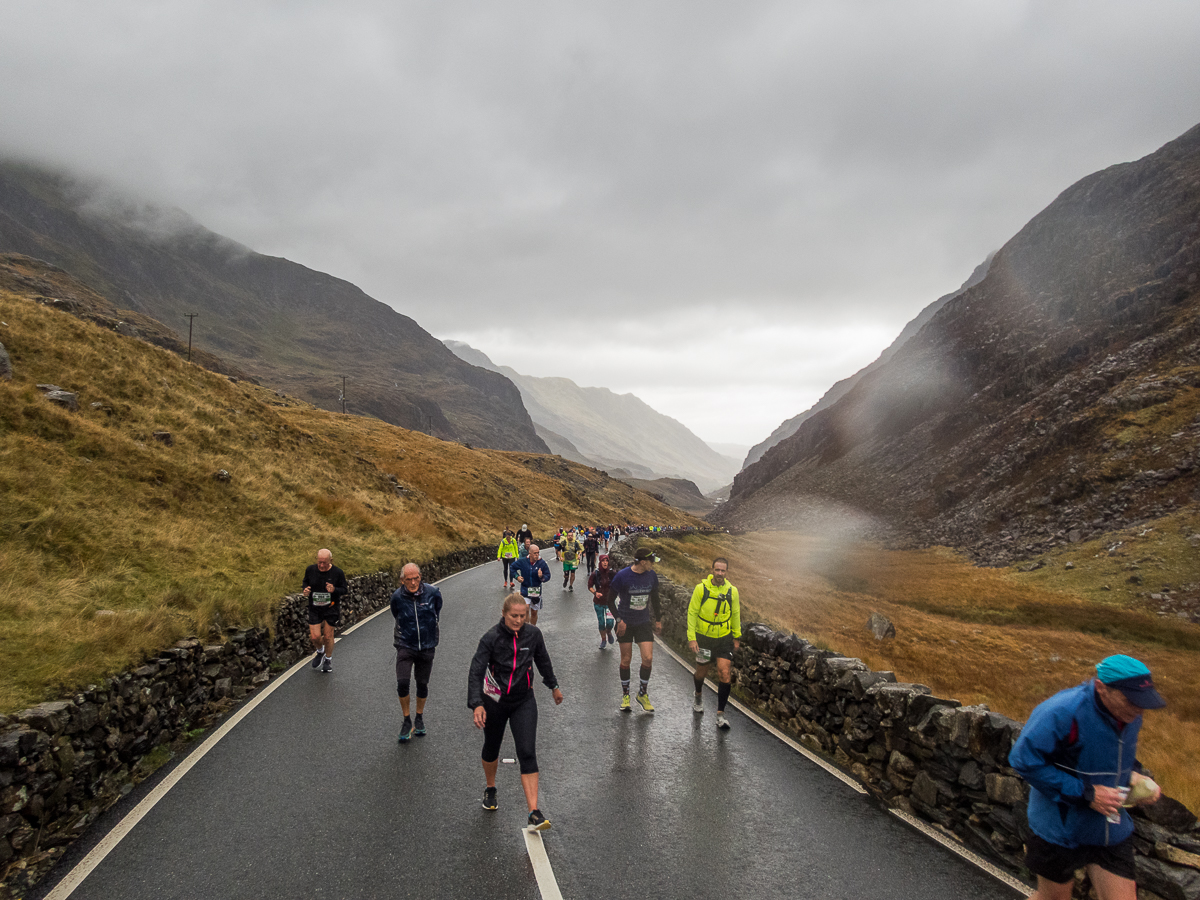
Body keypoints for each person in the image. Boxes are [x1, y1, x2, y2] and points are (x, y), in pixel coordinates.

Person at [1009, 655, 1167, 900]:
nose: (1138, 710)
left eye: (1143, 702)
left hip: (1109, 826)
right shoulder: (1062, 711)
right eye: (1131, 700)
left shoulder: (1130, 714)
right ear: (1102, 687)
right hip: (1059, 826)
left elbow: (1114, 752)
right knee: (1053, 898)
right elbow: (1023, 760)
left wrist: (1134, 776)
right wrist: (1088, 794)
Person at [468, 593, 563, 831]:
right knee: (491, 747)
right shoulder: (490, 638)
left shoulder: (533, 635)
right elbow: (476, 671)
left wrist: (554, 686)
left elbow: (543, 661)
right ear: (504, 614)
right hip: (495, 702)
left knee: (527, 751)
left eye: (523, 616)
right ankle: (491, 787)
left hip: (523, 700)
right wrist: (477, 703)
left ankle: (533, 811)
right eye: (514, 616)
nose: (519, 620)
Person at [389, 564, 443, 742]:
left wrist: (430, 631)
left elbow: (437, 611)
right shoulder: (397, 597)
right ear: (402, 580)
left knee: (422, 683)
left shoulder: (433, 592)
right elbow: (396, 614)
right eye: (409, 579)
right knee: (402, 683)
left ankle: (419, 717)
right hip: (405, 644)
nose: (413, 583)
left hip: (427, 645)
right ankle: (406, 720)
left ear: (421, 577)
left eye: (416, 578)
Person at [687, 558, 741, 730]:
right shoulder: (700, 589)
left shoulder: (732, 591)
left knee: (725, 673)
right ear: (712, 570)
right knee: (701, 672)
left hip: (724, 638)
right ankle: (698, 696)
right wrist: (692, 637)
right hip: (703, 637)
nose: (719, 573)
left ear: (727, 572)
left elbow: (736, 614)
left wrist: (737, 636)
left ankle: (721, 715)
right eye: (717, 570)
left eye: (723, 571)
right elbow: (692, 613)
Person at [607, 547, 663, 712]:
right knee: (626, 660)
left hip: (643, 622)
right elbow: (610, 601)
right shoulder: (622, 576)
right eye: (651, 561)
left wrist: (658, 619)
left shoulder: (651, 576)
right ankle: (626, 696)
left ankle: (642, 694)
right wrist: (619, 620)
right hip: (625, 622)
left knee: (648, 658)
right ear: (643, 562)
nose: (653, 565)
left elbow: (655, 598)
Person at [301, 548, 348, 674]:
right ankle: (320, 651)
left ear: (331, 561)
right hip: (315, 608)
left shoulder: (338, 572)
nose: (321, 565)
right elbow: (305, 582)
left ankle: (328, 660)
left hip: (331, 607)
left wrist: (334, 590)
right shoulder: (310, 570)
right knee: (315, 636)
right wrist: (305, 589)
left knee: (328, 636)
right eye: (319, 562)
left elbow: (344, 589)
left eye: (325, 563)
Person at [512, 544, 552, 626]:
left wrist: (541, 576)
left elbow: (548, 576)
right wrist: (517, 577)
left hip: (535, 590)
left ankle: (533, 629)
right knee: (526, 608)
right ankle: (526, 629)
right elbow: (512, 567)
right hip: (525, 589)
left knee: (534, 612)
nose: (537, 555)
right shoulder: (523, 561)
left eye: (538, 553)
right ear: (529, 553)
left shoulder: (542, 563)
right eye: (535, 553)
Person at [588, 554, 616, 650]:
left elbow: (619, 582)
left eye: (606, 561)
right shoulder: (595, 574)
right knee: (601, 622)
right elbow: (590, 586)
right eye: (603, 561)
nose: (605, 562)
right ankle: (603, 640)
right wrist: (595, 593)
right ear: (600, 562)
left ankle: (608, 632)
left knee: (610, 622)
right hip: (598, 602)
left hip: (609, 603)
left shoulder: (612, 573)